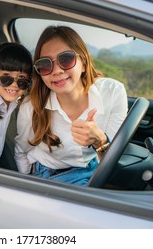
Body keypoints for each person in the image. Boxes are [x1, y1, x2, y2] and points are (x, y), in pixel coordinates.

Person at [14, 26, 128, 185]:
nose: (57, 71)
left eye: (66, 59)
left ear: (83, 62)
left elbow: (111, 159)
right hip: (49, 174)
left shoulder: (113, 92)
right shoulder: (31, 106)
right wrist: (26, 186)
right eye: (45, 65)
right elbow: (21, 152)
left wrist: (100, 141)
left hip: (93, 168)